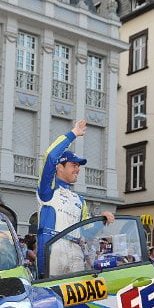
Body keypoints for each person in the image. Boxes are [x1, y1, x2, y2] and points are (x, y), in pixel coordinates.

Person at [35, 119, 114, 278]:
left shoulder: (79, 200)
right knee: (52, 294)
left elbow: (87, 231)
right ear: (59, 167)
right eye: (74, 165)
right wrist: (73, 134)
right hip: (53, 246)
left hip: (76, 249)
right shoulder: (48, 189)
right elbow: (50, 157)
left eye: (79, 166)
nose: (78, 169)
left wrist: (102, 220)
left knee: (76, 298)